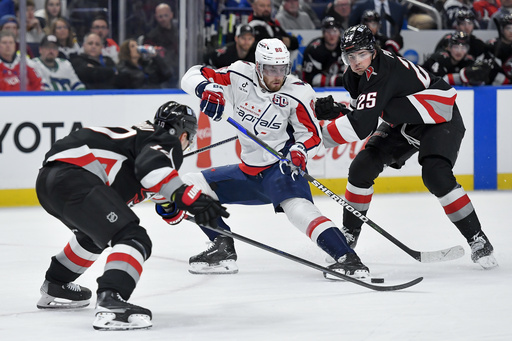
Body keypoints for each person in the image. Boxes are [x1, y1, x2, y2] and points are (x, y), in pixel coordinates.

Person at [179, 38, 370, 279]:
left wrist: (300, 150)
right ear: (258, 66)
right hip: (248, 173)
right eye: (271, 69)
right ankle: (222, 248)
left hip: (281, 169)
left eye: (283, 69)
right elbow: (191, 75)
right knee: (190, 184)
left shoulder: (298, 92)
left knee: (300, 212)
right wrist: (205, 89)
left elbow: (311, 135)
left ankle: (347, 258)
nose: (278, 76)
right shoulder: (239, 74)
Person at [314, 25, 498, 270]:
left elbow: (360, 126)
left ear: (373, 51)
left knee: (435, 174)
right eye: (351, 56)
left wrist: (313, 141)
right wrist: (340, 110)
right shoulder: (354, 76)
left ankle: (478, 239)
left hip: (440, 117)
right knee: (362, 167)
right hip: (403, 122)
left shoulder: (382, 71)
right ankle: (349, 234)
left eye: (362, 54)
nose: (356, 61)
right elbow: (365, 112)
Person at [35, 101, 229, 330]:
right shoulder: (164, 140)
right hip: (75, 177)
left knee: (94, 237)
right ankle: (111, 302)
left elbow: (165, 202)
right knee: (133, 237)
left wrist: (174, 204)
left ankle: (57, 284)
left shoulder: (139, 141)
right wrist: (191, 197)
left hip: (51, 181)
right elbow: (152, 169)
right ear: (182, 133)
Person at [422, 31, 490, 86]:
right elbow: (437, 85)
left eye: (463, 48)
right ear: (449, 48)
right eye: (456, 47)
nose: (459, 51)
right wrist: (462, 76)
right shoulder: (439, 59)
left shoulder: (468, 60)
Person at [302, 16, 345, 87]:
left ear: (339, 33)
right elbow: (308, 78)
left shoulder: (345, 48)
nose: (332, 35)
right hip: (316, 89)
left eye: (334, 31)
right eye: (328, 31)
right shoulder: (314, 49)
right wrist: (336, 80)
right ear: (323, 33)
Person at [143, 3, 179, 88]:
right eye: (160, 16)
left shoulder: (180, 32)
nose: (163, 19)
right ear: (156, 17)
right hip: (163, 75)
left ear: (171, 15)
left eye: (165, 15)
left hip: (179, 68)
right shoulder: (152, 36)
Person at [487, 13, 512, 84]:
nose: (511, 31)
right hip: (496, 84)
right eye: (508, 28)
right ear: (502, 29)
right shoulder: (492, 46)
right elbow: (489, 70)